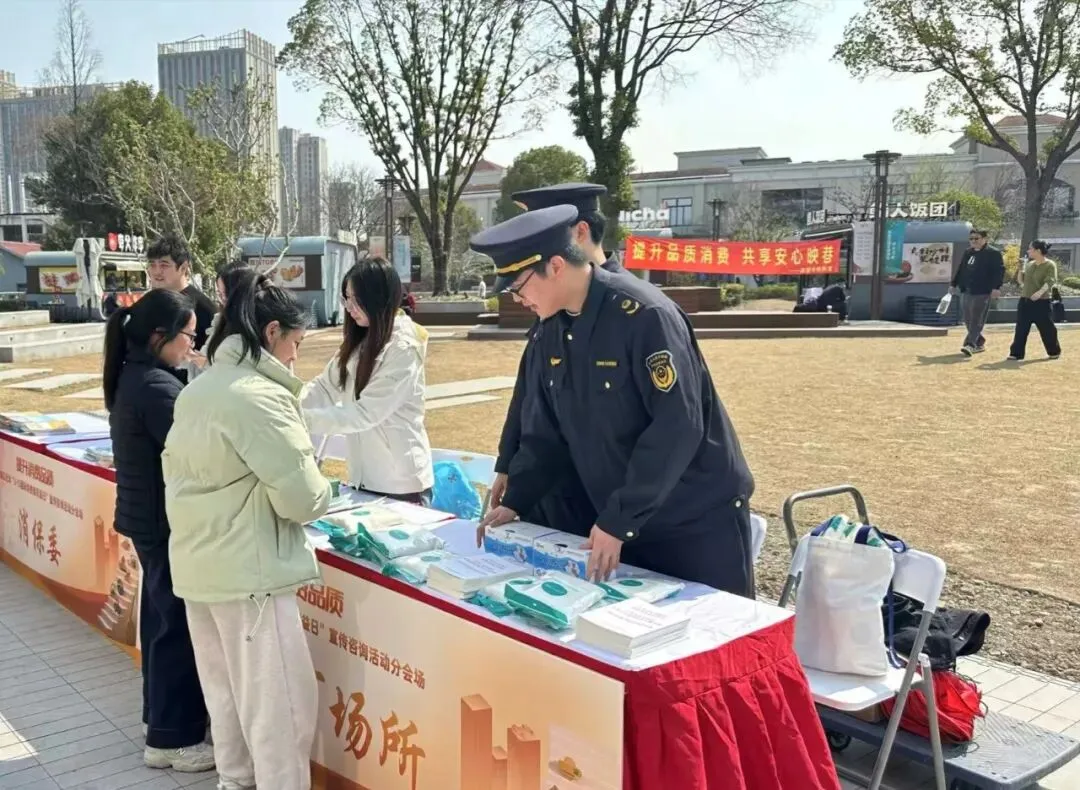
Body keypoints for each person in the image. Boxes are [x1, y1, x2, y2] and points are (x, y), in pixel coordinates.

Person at [475, 205, 756, 597]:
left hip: (691, 521)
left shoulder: (644, 315)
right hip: (626, 523)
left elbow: (677, 426)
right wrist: (517, 501)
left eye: (518, 287)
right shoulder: (552, 329)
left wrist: (619, 519)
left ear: (555, 266)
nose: (518, 299)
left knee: (714, 631)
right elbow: (548, 434)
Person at [162, 274, 332, 790]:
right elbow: (303, 499)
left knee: (227, 701)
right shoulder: (259, 397)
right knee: (279, 713)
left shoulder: (201, 389)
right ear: (272, 332)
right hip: (251, 577)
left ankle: (234, 781)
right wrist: (324, 486)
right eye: (296, 344)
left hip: (200, 571)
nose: (296, 357)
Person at [103, 289, 213, 773]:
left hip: (148, 520)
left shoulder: (139, 376)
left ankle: (161, 723)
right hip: (164, 523)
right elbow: (200, 455)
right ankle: (173, 740)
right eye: (188, 335)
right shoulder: (156, 388)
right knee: (175, 629)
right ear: (158, 336)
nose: (193, 344)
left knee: (161, 621)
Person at [489, 183, 622, 539]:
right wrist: (507, 462)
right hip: (544, 489)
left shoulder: (629, 310)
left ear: (578, 232)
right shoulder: (552, 303)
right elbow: (529, 392)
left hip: (593, 503)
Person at [302, 258, 434, 504]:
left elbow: (366, 413)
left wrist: (301, 419)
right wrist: (288, 404)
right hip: (364, 479)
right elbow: (323, 387)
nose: (349, 307)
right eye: (346, 298)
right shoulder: (360, 341)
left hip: (400, 483)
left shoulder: (403, 348)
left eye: (356, 299)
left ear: (378, 297)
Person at [146, 234, 217, 351]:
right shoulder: (151, 302)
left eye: (164, 265)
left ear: (183, 268)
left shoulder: (203, 308)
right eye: (152, 264)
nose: (157, 271)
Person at [950, 229, 1004, 356]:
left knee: (977, 318)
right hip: (967, 289)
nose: (973, 241)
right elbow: (961, 269)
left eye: (976, 238)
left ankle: (970, 344)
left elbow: (999, 271)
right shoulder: (968, 252)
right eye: (971, 239)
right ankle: (979, 342)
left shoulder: (993, 253)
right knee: (968, 319)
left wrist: (996, 287)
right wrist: (953, 284)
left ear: (984, 239)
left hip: (983, 290)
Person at [1009, 240, 1062, 361]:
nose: (1028, 251)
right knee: (1021, 328)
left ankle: (1054, 351)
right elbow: (1021, 282)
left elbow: (1050, 281)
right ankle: (1016, 353)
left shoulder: (1049, 265)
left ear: (1038, 251)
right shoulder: (1029, 265)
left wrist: (1039, 293)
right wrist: (1020, 269)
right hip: (1025, 301)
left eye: (1030, 249)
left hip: (1042, 302)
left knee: (1047, 328)